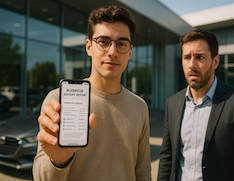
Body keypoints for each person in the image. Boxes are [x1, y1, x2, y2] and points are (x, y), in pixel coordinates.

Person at [33, 5, 151, 181]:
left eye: (122, 44)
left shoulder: (139, 107)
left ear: (130, 51)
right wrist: (58, 162)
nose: (112, 52)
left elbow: (143, 174)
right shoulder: (59, 100)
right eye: (103, 42)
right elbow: (41, 177)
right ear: (89, 47)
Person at [158, 29, 234, 181]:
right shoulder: (172, 103)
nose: (192, 64)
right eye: (187, 57)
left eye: (200, 57)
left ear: (215, 62)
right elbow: (167, 159)